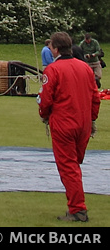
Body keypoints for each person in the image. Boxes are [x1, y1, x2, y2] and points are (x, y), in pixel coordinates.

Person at [38, 31, 100, 223]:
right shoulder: (85, 68)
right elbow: (95, 97)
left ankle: (77, 210)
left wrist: (44, 114)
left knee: (69, 167)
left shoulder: (53, 70)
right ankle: (76, 204)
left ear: (55, 49)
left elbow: (46, 99)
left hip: (64, 123)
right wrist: (91, 119)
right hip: (83, 123)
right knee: (74, 164)